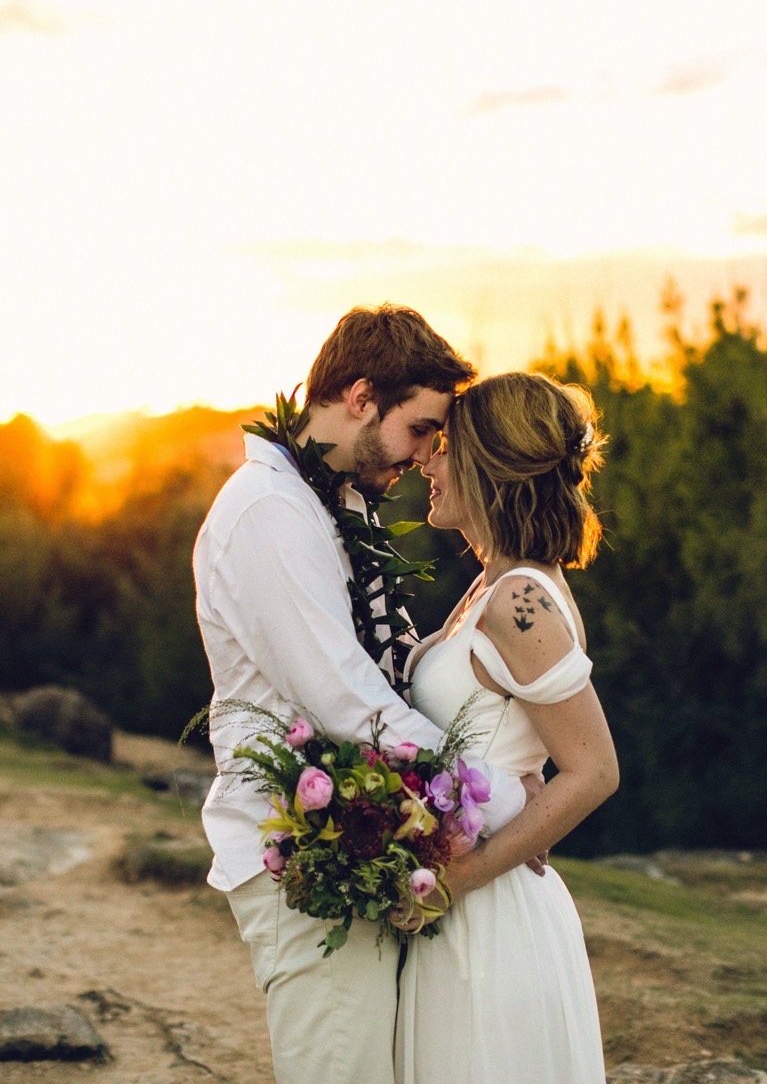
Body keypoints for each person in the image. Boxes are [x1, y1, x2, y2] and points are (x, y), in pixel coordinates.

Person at [193, 305, 533, 1084]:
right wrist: (501, 802)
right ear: (359, 397)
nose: (424, 456)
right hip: (299, 862)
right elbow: (343, 699)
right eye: (420, 428)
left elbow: (387, 663)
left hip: (353, 846)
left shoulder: (325, 506)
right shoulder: (271, 513)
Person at [395, 370, 619, 1084]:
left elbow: (593, 770)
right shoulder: (494, 583)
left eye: (444, 446)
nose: (425, 461)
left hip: (489, 915)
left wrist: (459, 880)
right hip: (465, 903)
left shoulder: (521, 596)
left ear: (488, 463)